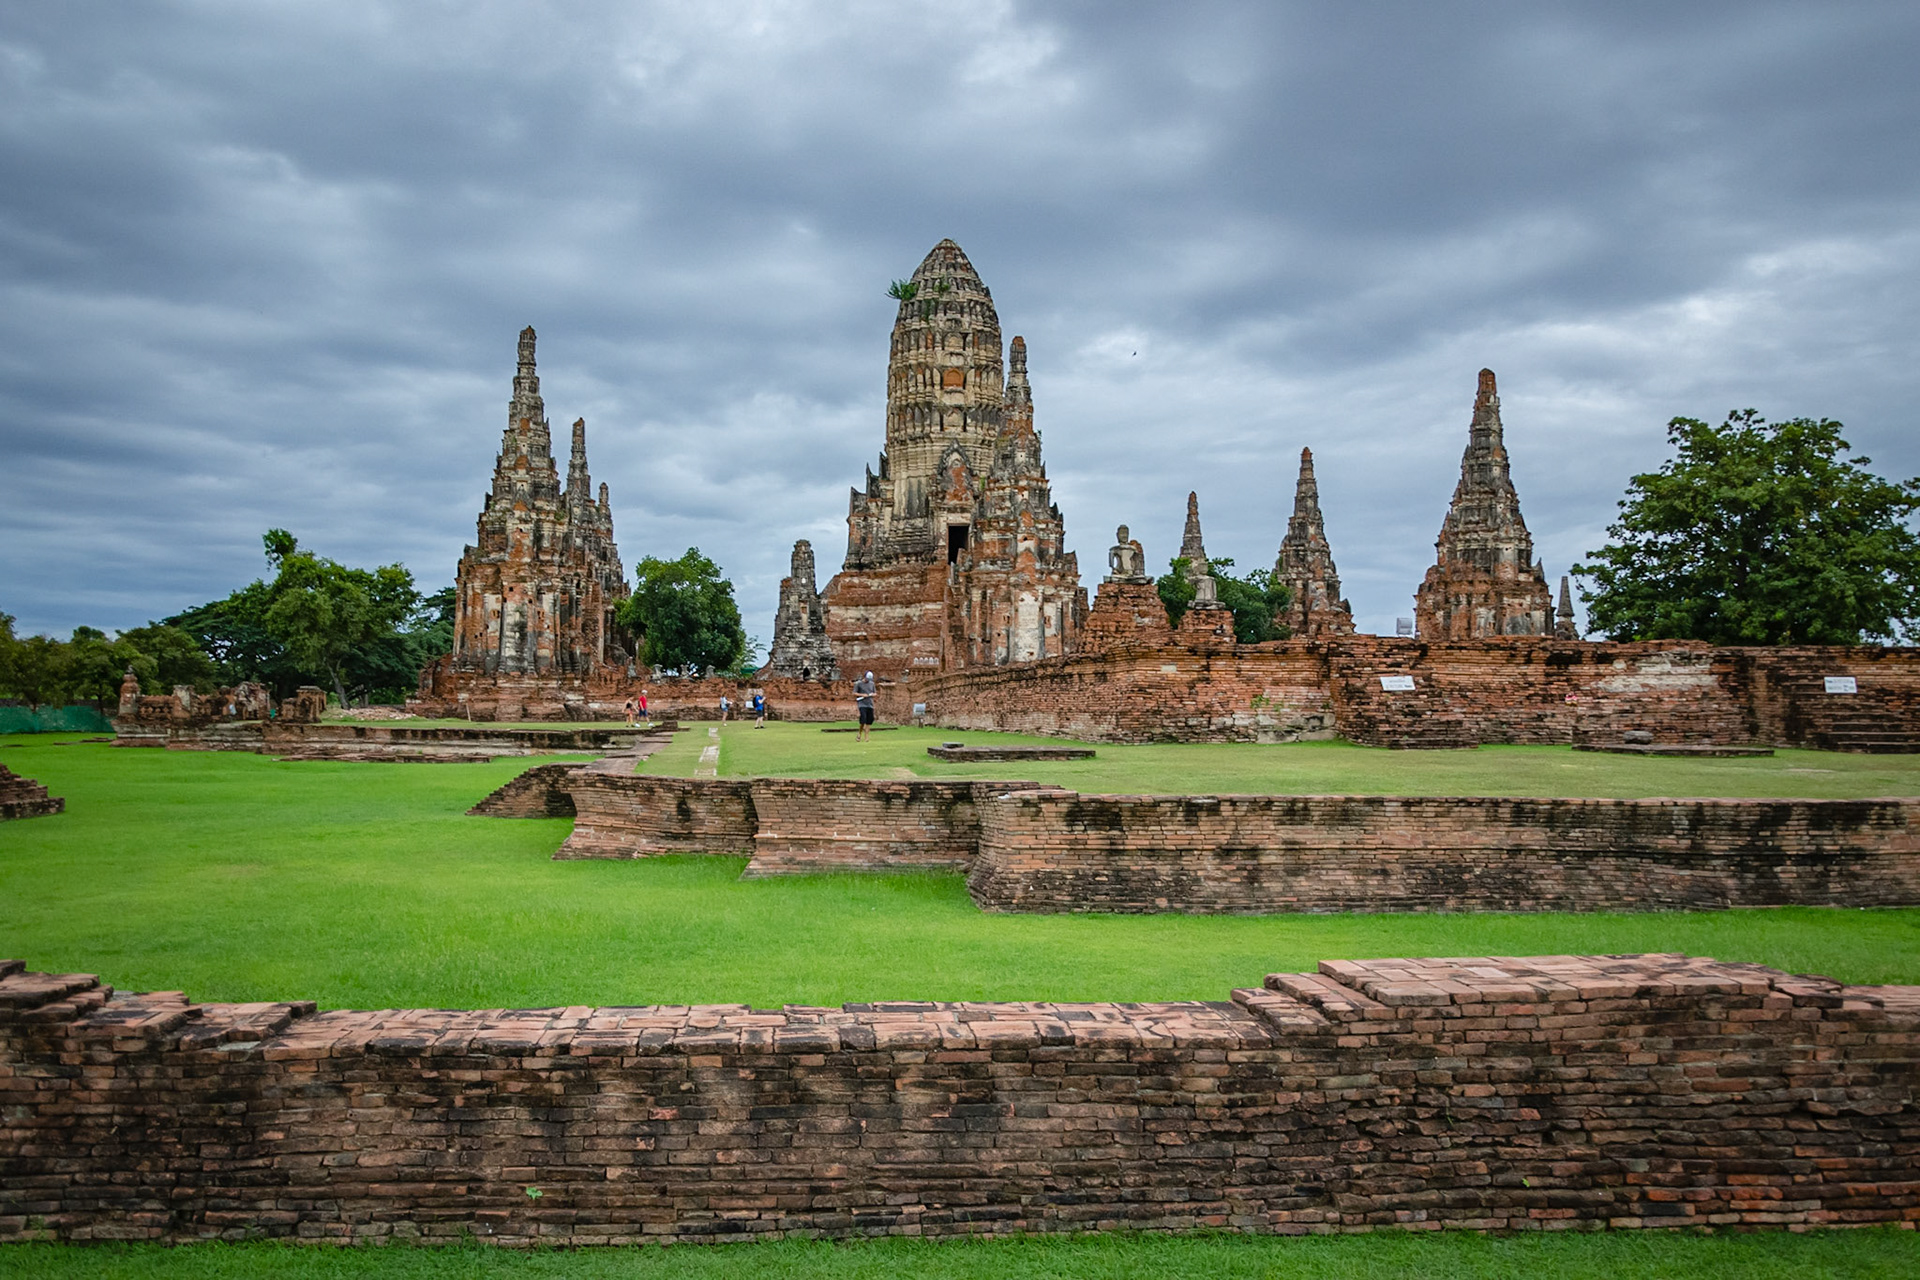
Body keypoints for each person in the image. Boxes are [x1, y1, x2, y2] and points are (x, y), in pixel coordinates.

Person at [854, 671, 876, 741]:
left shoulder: (872, 684)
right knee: (863, 719)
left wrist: (872, 694)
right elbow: (854, 693)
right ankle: (859, 733)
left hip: (870, 704)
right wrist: (862, 695)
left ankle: (866, 736)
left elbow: (875, 693)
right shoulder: (858, 684)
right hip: (862, 704)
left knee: (869, 721)